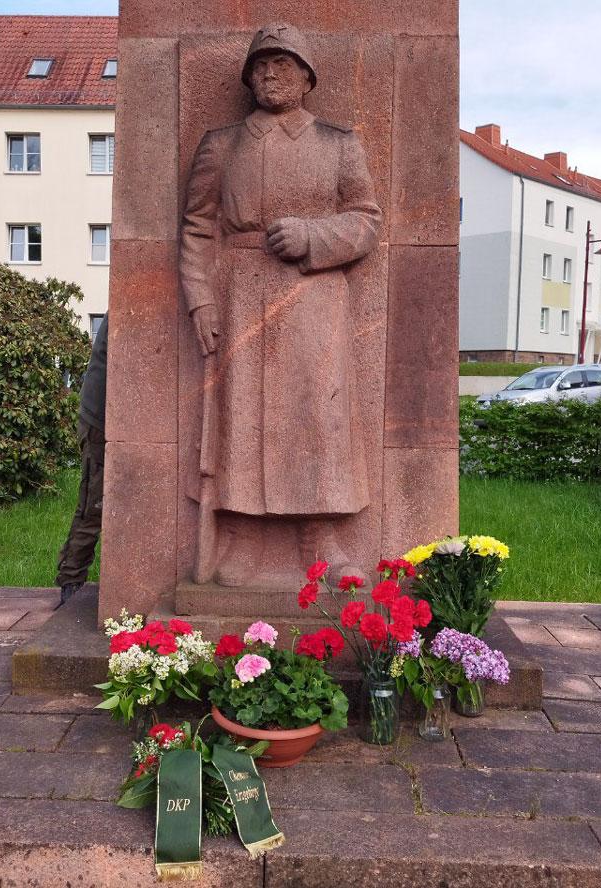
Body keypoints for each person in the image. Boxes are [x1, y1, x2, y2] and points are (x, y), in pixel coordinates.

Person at [180, 24, 382, 586]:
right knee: (242, 413)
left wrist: (315, 238)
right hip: (240, 290)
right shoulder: (221, 144)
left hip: (314, 297)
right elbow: (197, 227)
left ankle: (322, 540)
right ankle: (241, 534)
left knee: (318, 414)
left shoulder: (338, 143)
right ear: (248, 77)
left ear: (307, 77)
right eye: (260, 65)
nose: (270, 74)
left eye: (283, 65)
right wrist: (200, 302)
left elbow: (366, 220)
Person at [56, 314, 107, 603]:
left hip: (106, 419)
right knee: (93, 505)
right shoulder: (123, 314)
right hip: (99, 423)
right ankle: (71, 580)